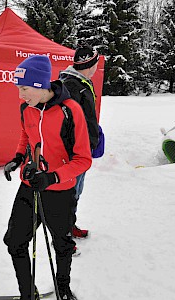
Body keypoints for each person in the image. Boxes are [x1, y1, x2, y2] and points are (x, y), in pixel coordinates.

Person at [3, 55, 92, 300]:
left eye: (24, 88)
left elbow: (83, 159)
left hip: (60, 191)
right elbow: (26, 135)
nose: (20, 95)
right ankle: (27, 292)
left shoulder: (70, 110)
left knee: (62, 246)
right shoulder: (26, 108)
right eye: (18, 88)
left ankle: (63, 288)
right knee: (14, 242)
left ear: (41, 84)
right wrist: (18, 157)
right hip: (29, 186)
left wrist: (53, 177)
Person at [59, 44, 100, 239]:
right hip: (75, 150)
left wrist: (95, 134)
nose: (96, 68)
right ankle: (64, 234)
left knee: (76, 191)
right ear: (90, 64)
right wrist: (78, 146)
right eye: (95, 64)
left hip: (83, 147)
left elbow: (85, 116)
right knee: (70, 192)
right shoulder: (71, 85)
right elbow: (68, 121)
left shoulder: (81, 82)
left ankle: (69, 225)